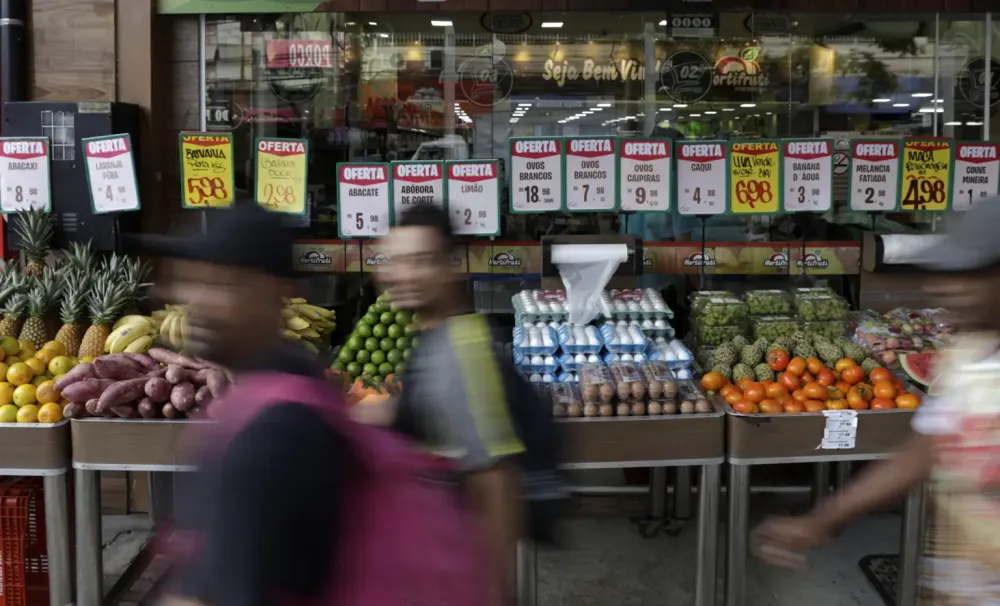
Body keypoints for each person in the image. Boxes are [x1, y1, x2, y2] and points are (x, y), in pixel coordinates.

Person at [752, 199, 1000, 604]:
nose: (945, 287)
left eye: (970, 274)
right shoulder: (968, 358)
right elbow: (921, 453)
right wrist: (822, 519)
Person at [145, 202, 347, 606]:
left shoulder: (270, 436)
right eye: (190, 280)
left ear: (277, 294)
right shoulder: (293, 379)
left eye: (222, 285)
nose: (196, 302)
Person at [372, 203, 565, 598]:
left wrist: (489, 590)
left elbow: (496, 484)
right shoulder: (434, 337)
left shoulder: (462, 353)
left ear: (448, 268)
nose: (403, 275)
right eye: (394, 261)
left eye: (421, 261)